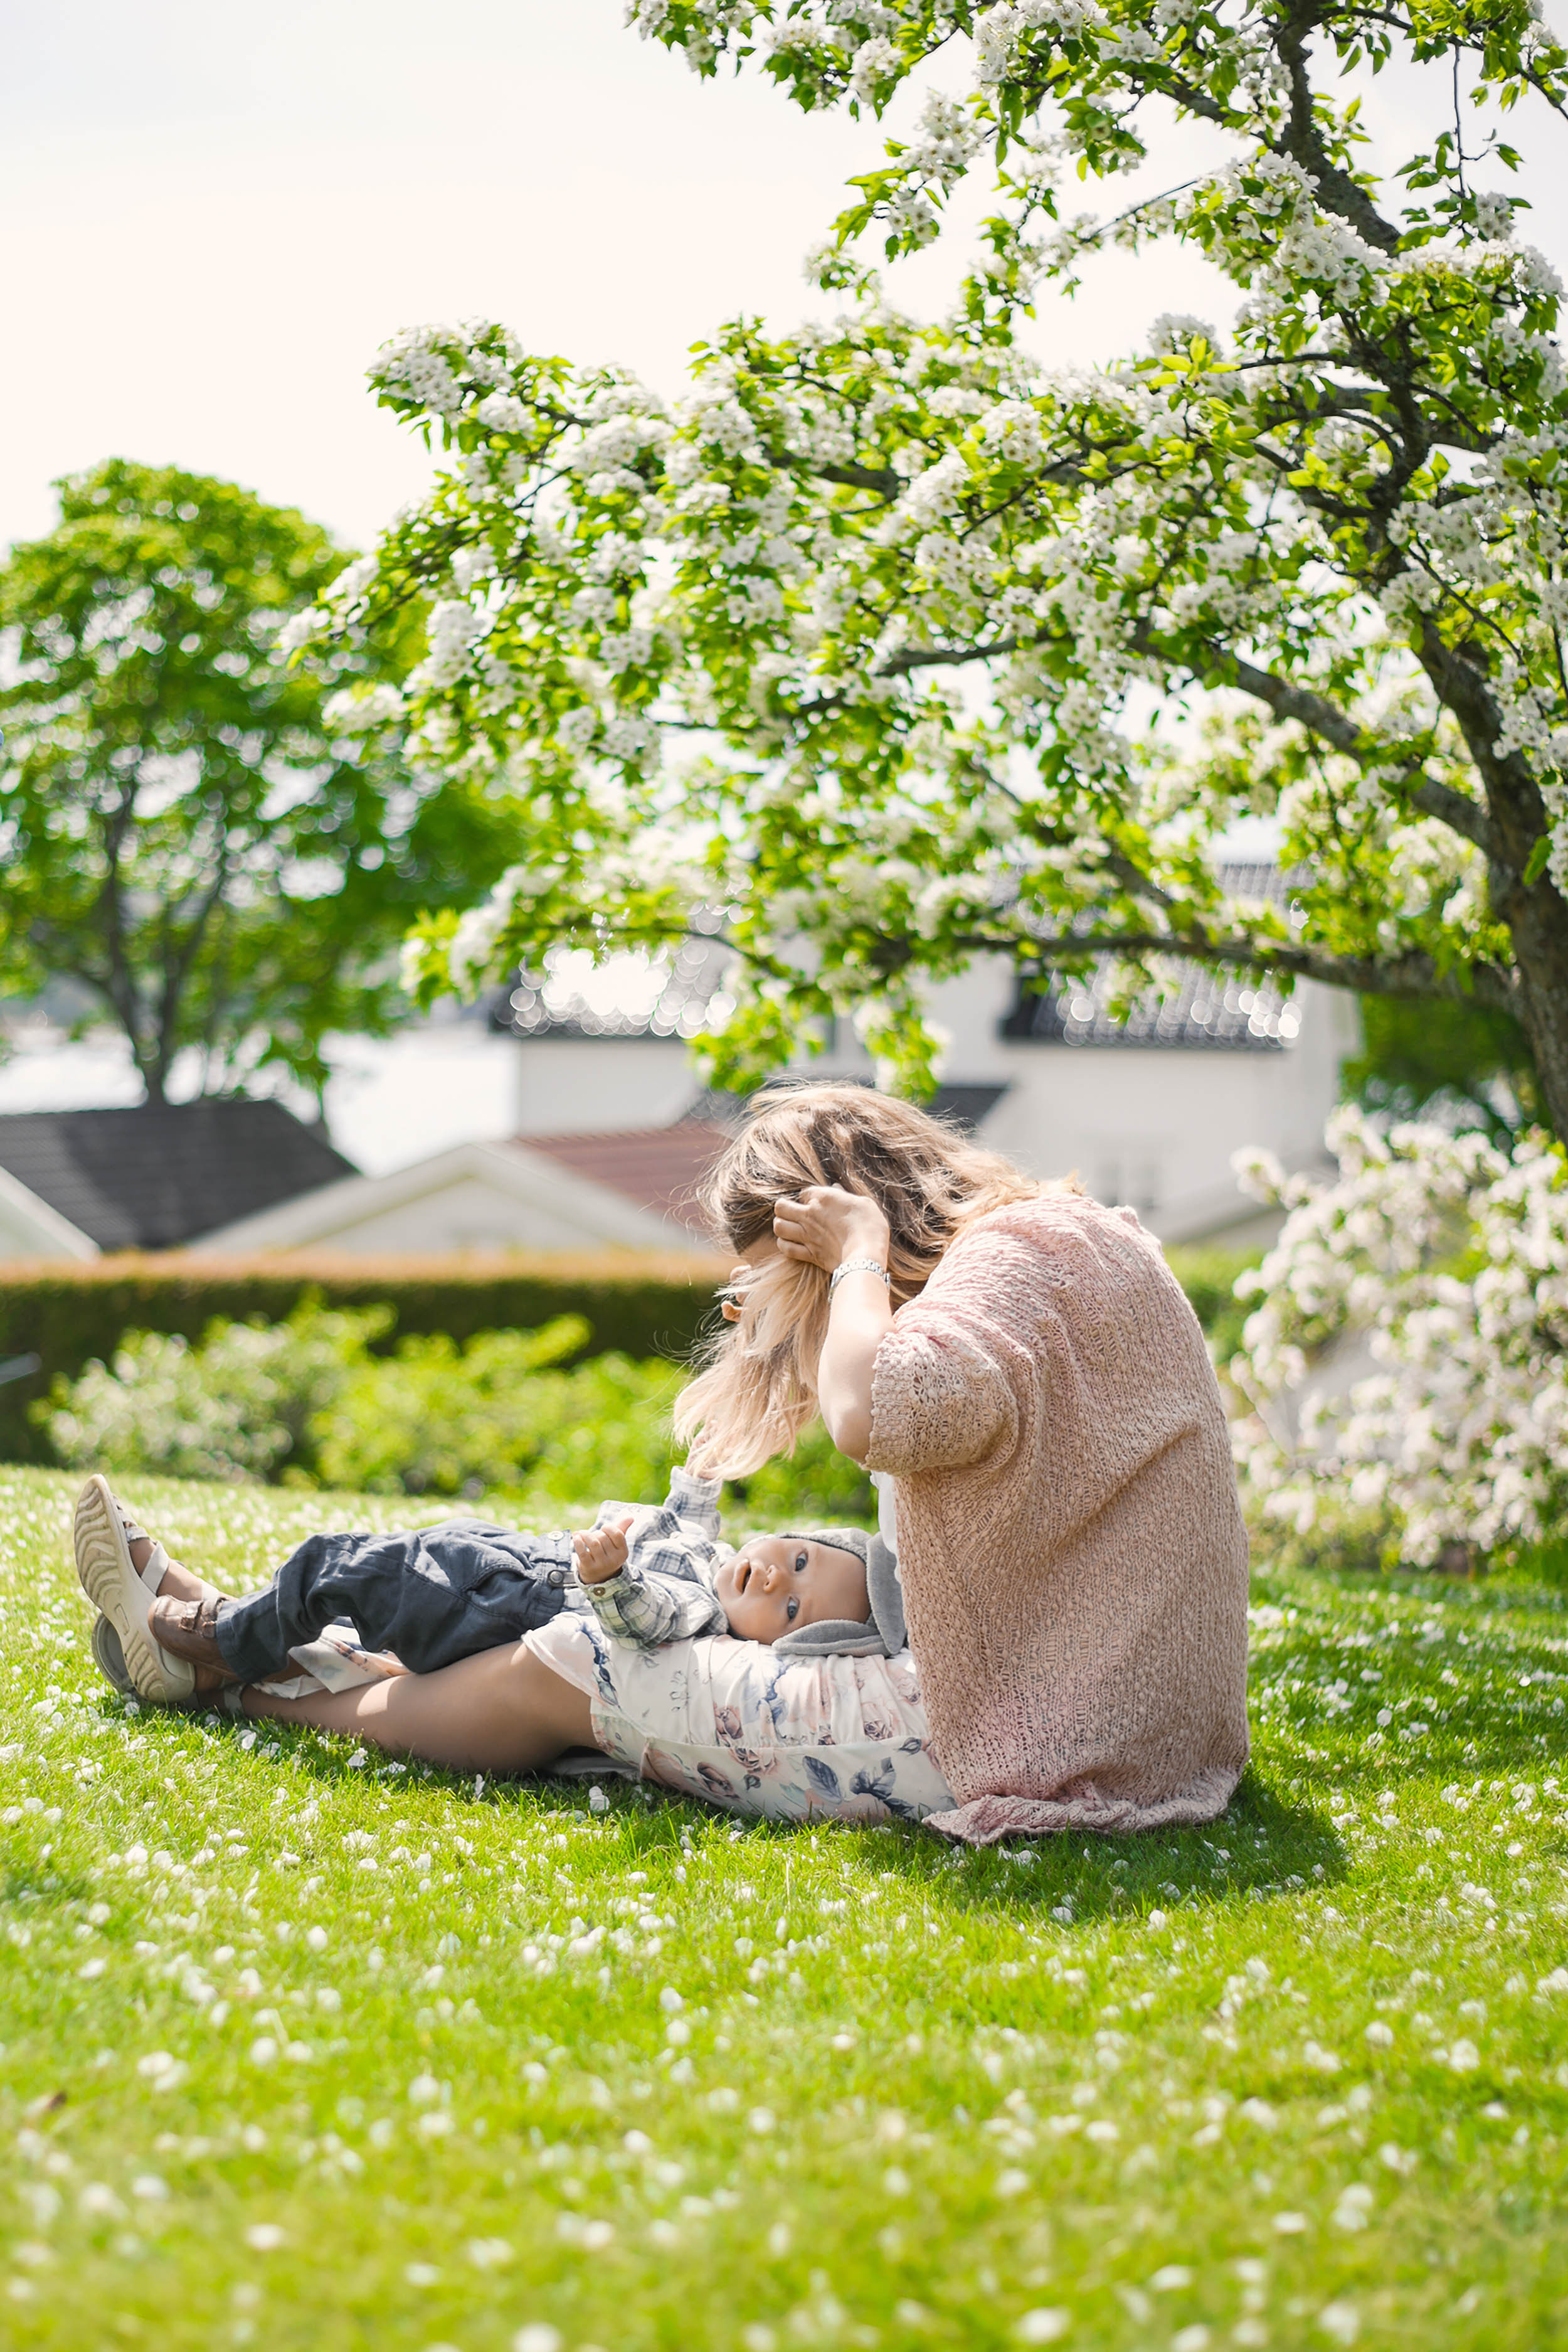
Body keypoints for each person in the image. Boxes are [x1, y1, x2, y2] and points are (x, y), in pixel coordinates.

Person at [73, 1083, 1249, 1838]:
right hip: (1129, 1719)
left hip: (1028, 1739)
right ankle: (242, 1631)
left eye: (791, 1270)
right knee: (585, 1583)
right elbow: (937, 1410)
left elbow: (874, 1415)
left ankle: (248, 1681)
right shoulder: (1064, 1243)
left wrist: (853, 1263)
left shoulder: (994, 1264)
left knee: (581, 1657)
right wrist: (808, 1313)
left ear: (850, 1211)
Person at [73, 1467, 894, 1705]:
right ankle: (198, 1647)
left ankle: (212, 1638)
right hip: (501, 1566)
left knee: (346, 1566)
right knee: (373, 1561)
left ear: (769, 1642)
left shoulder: (700, 1609)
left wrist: (608, 1577)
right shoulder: (706, 1548)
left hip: (507, 1604)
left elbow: (644, 1617)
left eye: (790, 1609)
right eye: (801, 1560)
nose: (778, 1578)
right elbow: (696, 1493)